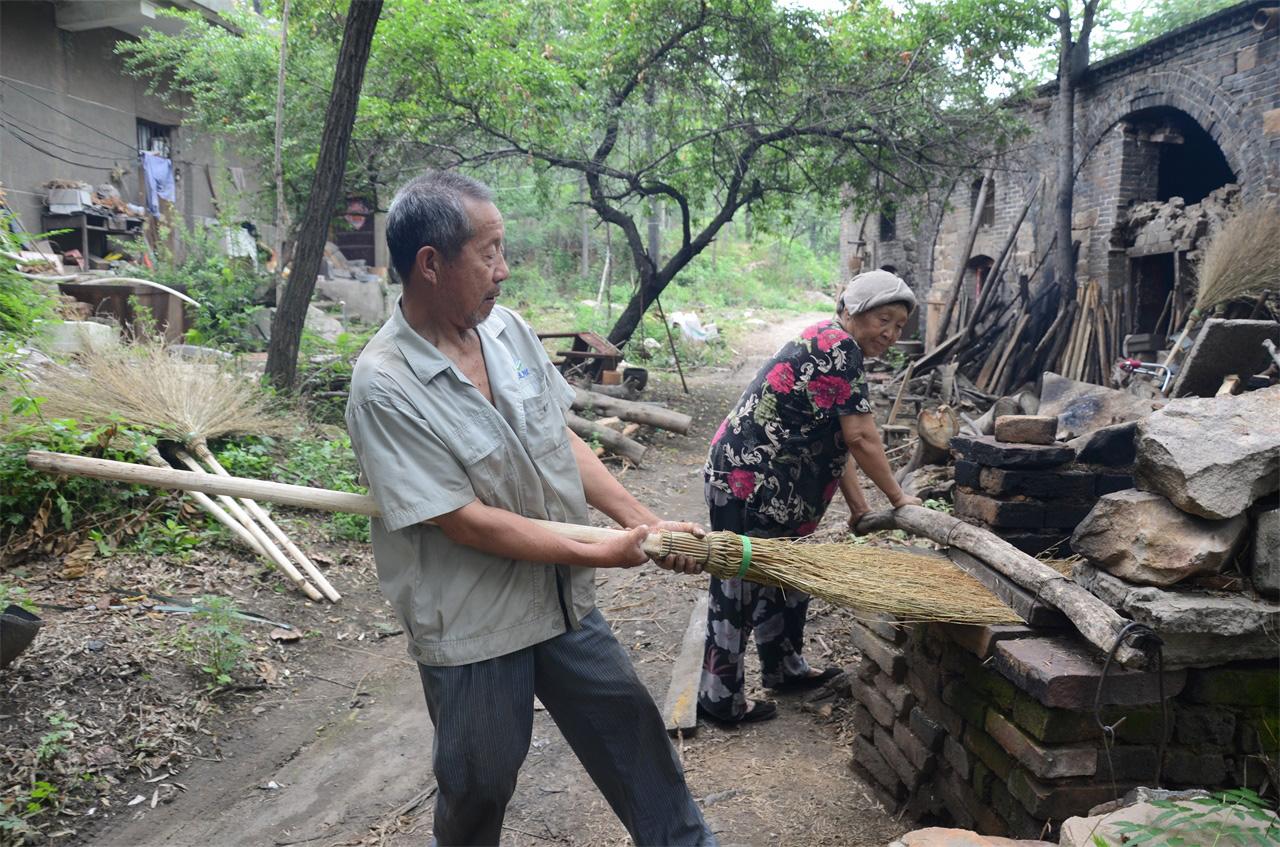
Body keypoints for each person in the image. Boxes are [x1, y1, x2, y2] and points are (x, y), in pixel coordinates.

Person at [345, 171, 716, 846]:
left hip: (560, 601)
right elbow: (463, 520)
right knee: (478, 785)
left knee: (637, 742)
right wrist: (604, 549)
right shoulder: (384, 385)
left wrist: (643, 521)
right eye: (488, 251)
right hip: (475, 625)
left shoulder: (507, 332)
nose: (504, 270)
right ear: (430, 263)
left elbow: (560, 438)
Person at [697, 270, 924, 725]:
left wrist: (861, 509)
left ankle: (785, 667)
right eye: (885, 319)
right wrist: (901, 499)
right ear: (854, 311)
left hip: (777, 491)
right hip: (750, 483)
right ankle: (720, 698)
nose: (892, 334)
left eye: (900, 326)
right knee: (738, 585)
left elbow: (836, 444)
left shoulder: (835, 344)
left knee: (787, 577)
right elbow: (861, 437)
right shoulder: (837, 348)